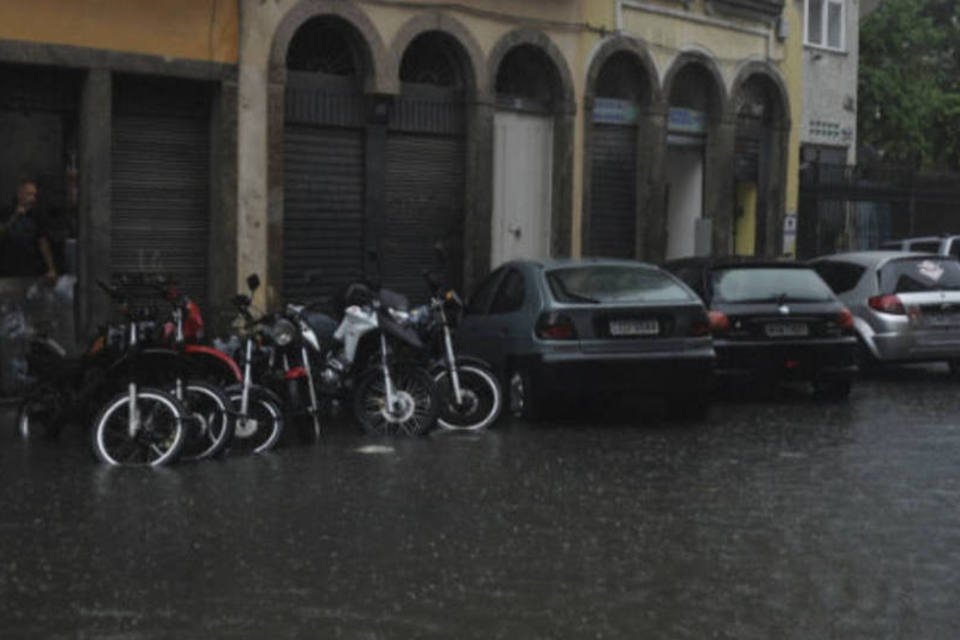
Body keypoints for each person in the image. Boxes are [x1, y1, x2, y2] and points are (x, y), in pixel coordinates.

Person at [0, 179, 57, 280]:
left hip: (30, 269)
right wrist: (15, 216)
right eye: (29, 194)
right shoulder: (7, 212)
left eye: (34, 195)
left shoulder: (37, 215)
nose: (32, 198)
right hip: (7, 268)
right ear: (20, 194)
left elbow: (43, 242)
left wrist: (51, 268)